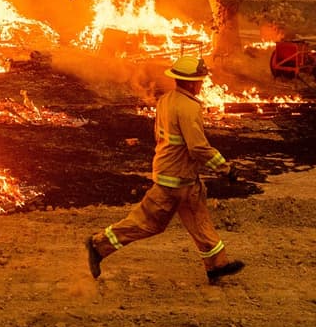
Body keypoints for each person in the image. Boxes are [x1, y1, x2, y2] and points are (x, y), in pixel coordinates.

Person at [85, 55, 245, 284]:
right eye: (200, 80)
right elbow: (198, 147)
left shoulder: (166, 100)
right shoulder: (189, 108)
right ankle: (98, 245)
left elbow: (162, 138)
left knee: (200, 221)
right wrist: (225, 168)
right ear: (190, 83)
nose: (202, 84)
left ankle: (217, 266)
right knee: (148, 222)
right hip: (175, 180)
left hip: (178, 175)